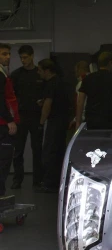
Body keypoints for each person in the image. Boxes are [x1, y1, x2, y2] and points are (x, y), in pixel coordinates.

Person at [35, 59, 72, 193]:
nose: (38, 73)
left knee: (49, 151)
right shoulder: (62, 82)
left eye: (39, 70)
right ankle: (57, 180)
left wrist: (41, 122)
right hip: (63, 121)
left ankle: (49, 182)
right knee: (59, 150)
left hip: (54, 121)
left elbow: (48, 105)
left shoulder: (50, 84)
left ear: (47, 70)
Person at [10, 44, 43, 189]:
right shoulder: (16, 75)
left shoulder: (39, 74)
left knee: (37, 149)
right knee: (18, 150)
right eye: (21, 58)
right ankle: (17, 180)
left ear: (32, 56)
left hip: (36, 116)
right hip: (21, 117)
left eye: (25, 57)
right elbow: (11, 96)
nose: (23, 60)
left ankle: (37, 180)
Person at [75, 51, 112, 130]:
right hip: (108, 120)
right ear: (110, 63)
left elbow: (80, 102)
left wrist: (78, 122)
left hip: (91, 120)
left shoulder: (87, 79)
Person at [0, 44, 19, 197]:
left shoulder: (3, 73)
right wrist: (9, 120)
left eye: (8, 54)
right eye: (4, 54)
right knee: (4, 161)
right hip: (2, 125)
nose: (8, 57)